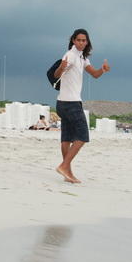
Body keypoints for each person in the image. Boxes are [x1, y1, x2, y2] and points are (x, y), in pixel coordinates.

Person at [54, 28, 110, 183]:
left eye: (84, 40)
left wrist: (103, 70)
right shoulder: (70, 55)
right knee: (83, 136)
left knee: (67, 138)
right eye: (78, 40)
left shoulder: (83, 58)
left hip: (62, 103)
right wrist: (61, 67)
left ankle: (67, 173)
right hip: (71, 103)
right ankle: (65, 166)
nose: (81, 42)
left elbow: (94, 74)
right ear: (73, 40)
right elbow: (56, 75)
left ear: (87, 42)